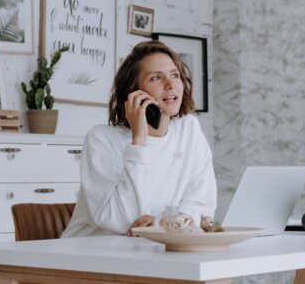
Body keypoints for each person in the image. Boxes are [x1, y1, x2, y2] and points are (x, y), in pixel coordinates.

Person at [61, 40, 217, 238]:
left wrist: (160, 222)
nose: (170, 85)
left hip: (151, 248)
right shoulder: (101, 138)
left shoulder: (189, 130)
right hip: (91, 251)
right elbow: (123, 220)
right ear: (133, 92)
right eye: (156, 78)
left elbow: (203, 208)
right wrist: (139, 139)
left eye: (175, 75)